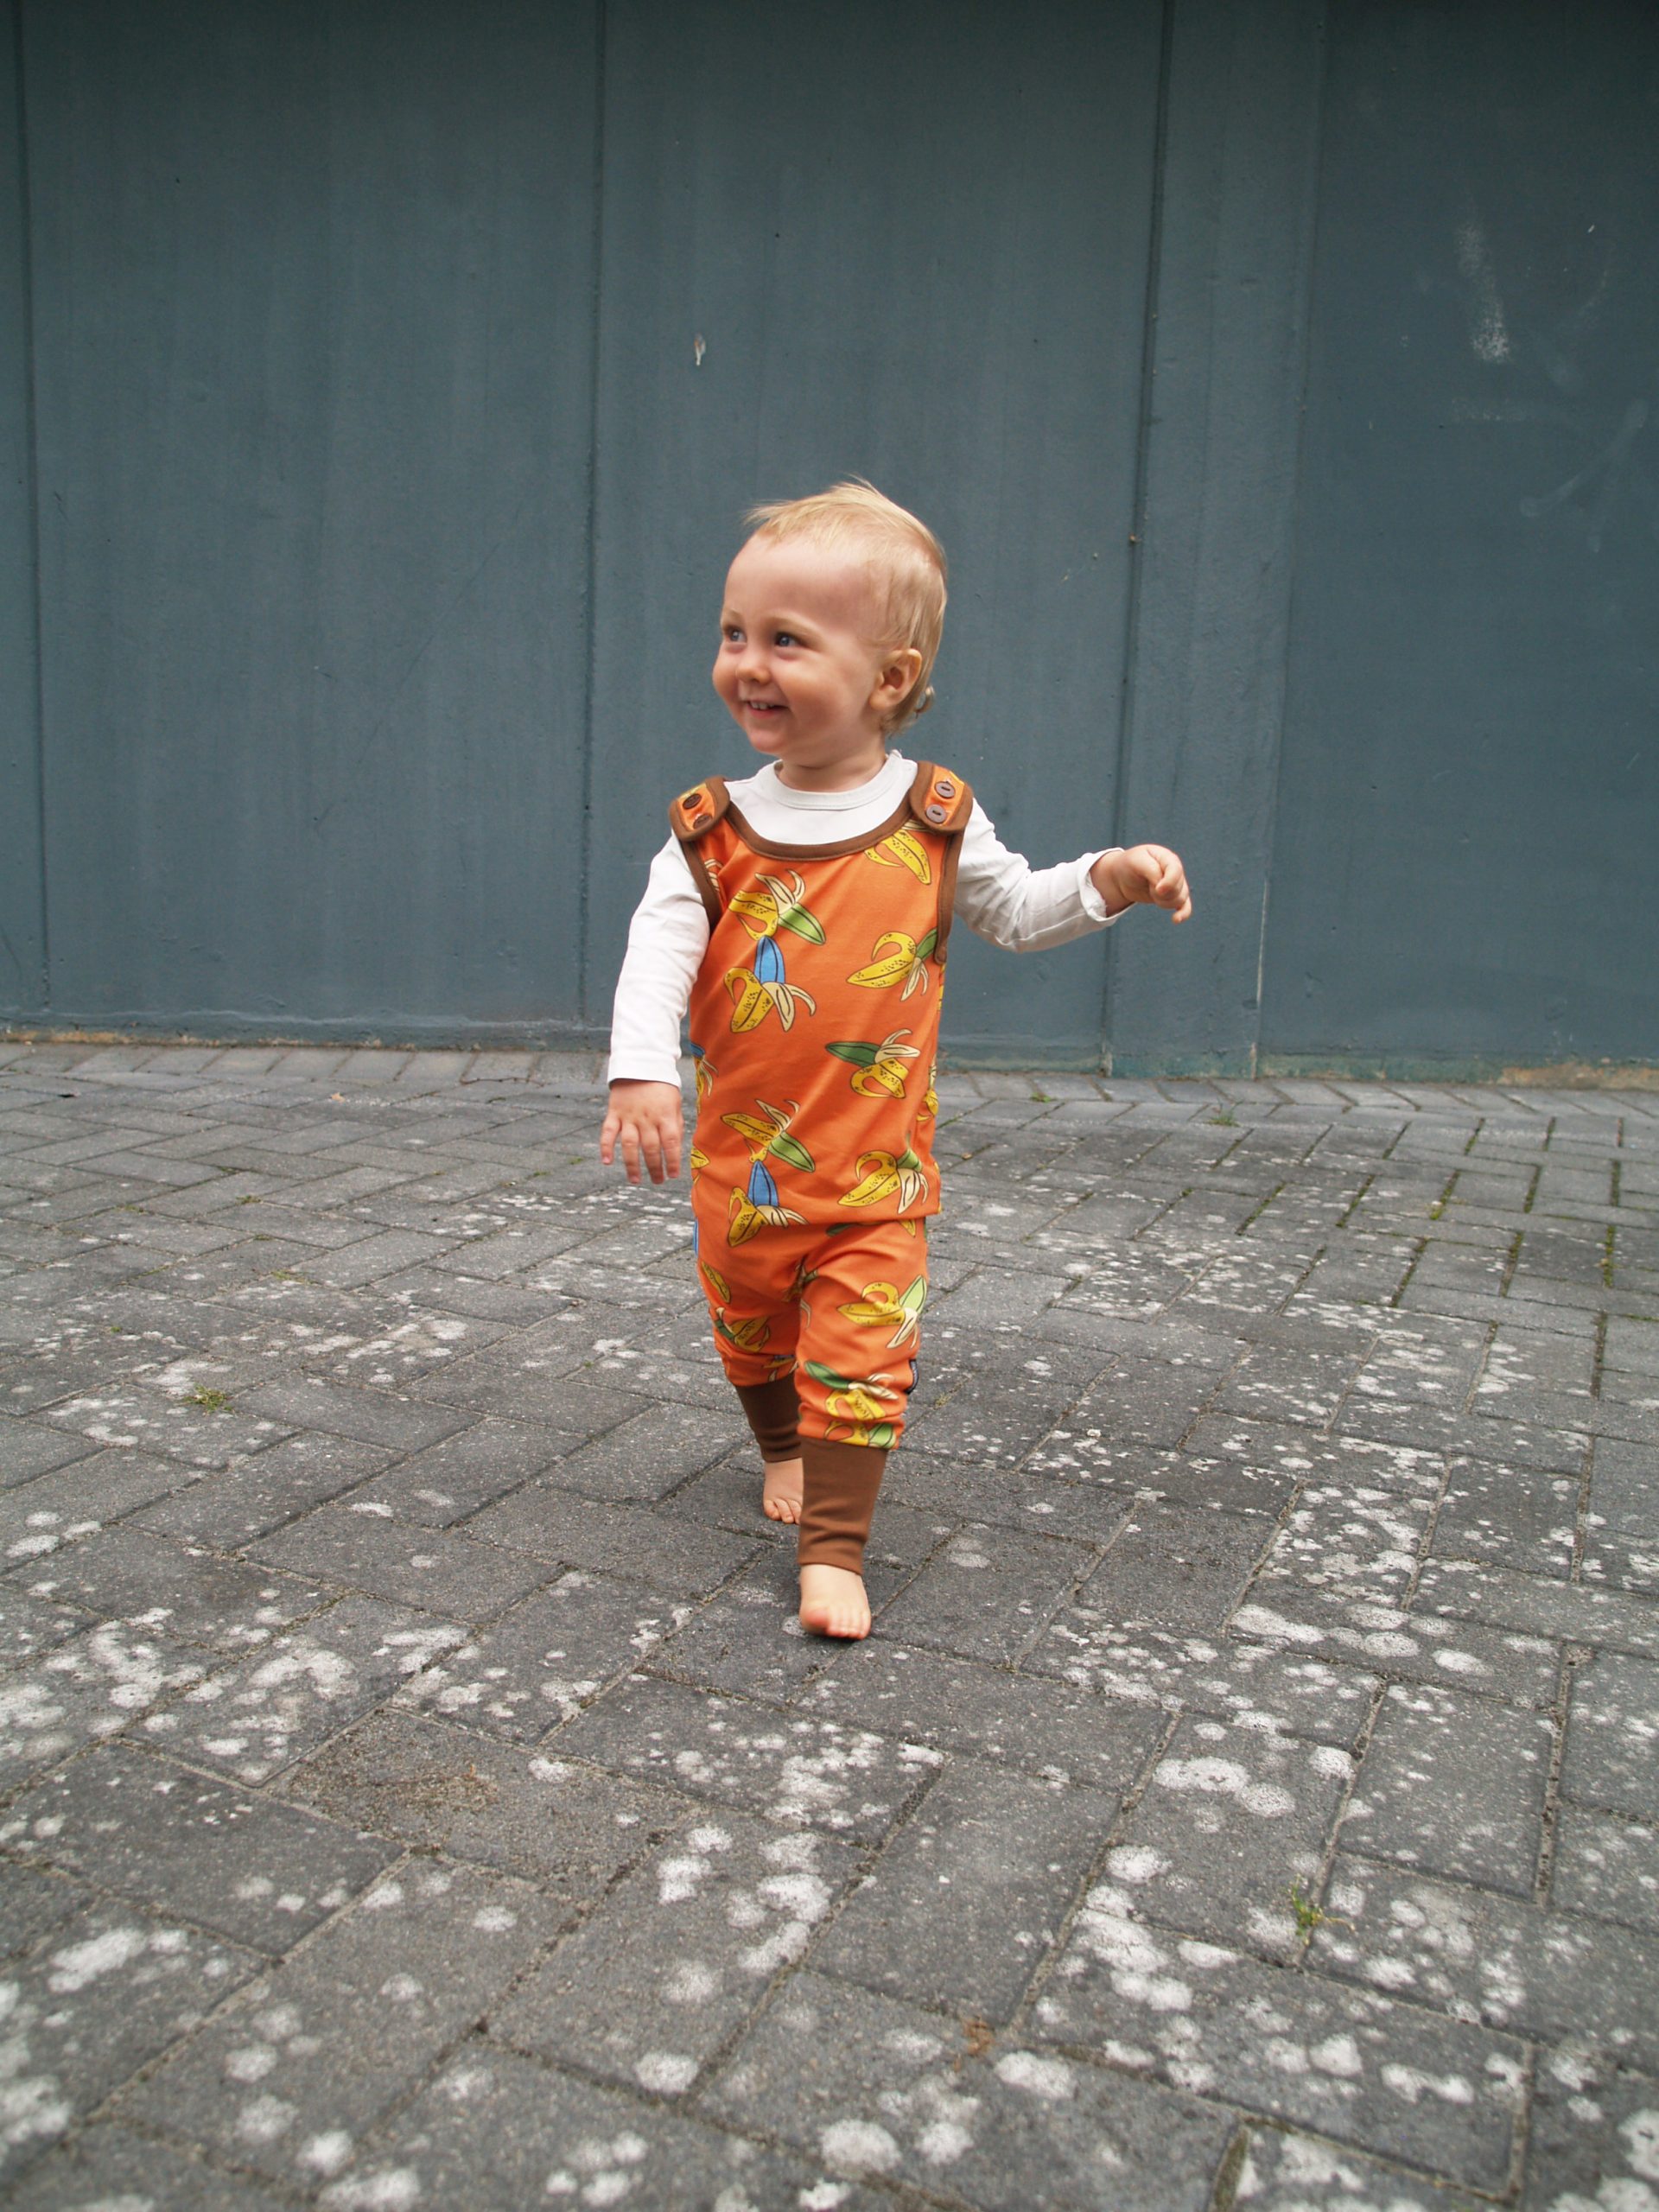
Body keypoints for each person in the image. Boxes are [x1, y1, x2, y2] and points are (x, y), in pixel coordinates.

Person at [601, 482, 1191, 1640]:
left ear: (888, 678)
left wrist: (1107, 880)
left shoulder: (936, 815)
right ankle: (779, 1442)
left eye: (786, 641)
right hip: (744, 1170)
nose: (747, 663)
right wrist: (641, 1070)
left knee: (864, 1355)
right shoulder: (710, 831)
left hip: (878, 1177)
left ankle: (834, 1551)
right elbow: (655, 953)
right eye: (734, 633)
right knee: (751, 1331)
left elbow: (1016, 910)